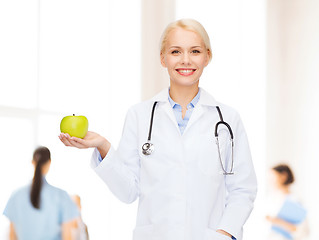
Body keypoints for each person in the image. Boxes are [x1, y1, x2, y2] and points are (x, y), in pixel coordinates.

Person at [59, 18, 257, 240]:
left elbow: (243, 189)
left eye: (195, 51)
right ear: (163, 58)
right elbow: (128, 191)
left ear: (207, 57)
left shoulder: (228, 120)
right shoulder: (140, 115)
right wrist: (103, 146)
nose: (185, 60)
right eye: (175, 52)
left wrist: (224, 233)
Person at [3, 146, 79, 240]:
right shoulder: (61, 196)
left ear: (32, 162)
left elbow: (12, 236)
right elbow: (67, 237)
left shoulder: (16, 196)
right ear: (49, 163)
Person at [266, 164, 309, 240]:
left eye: (272, 177)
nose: (270, 181)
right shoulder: (270, 198)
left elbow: (303, 231)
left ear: (283, 176)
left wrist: (278, 222)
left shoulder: (295, 200)